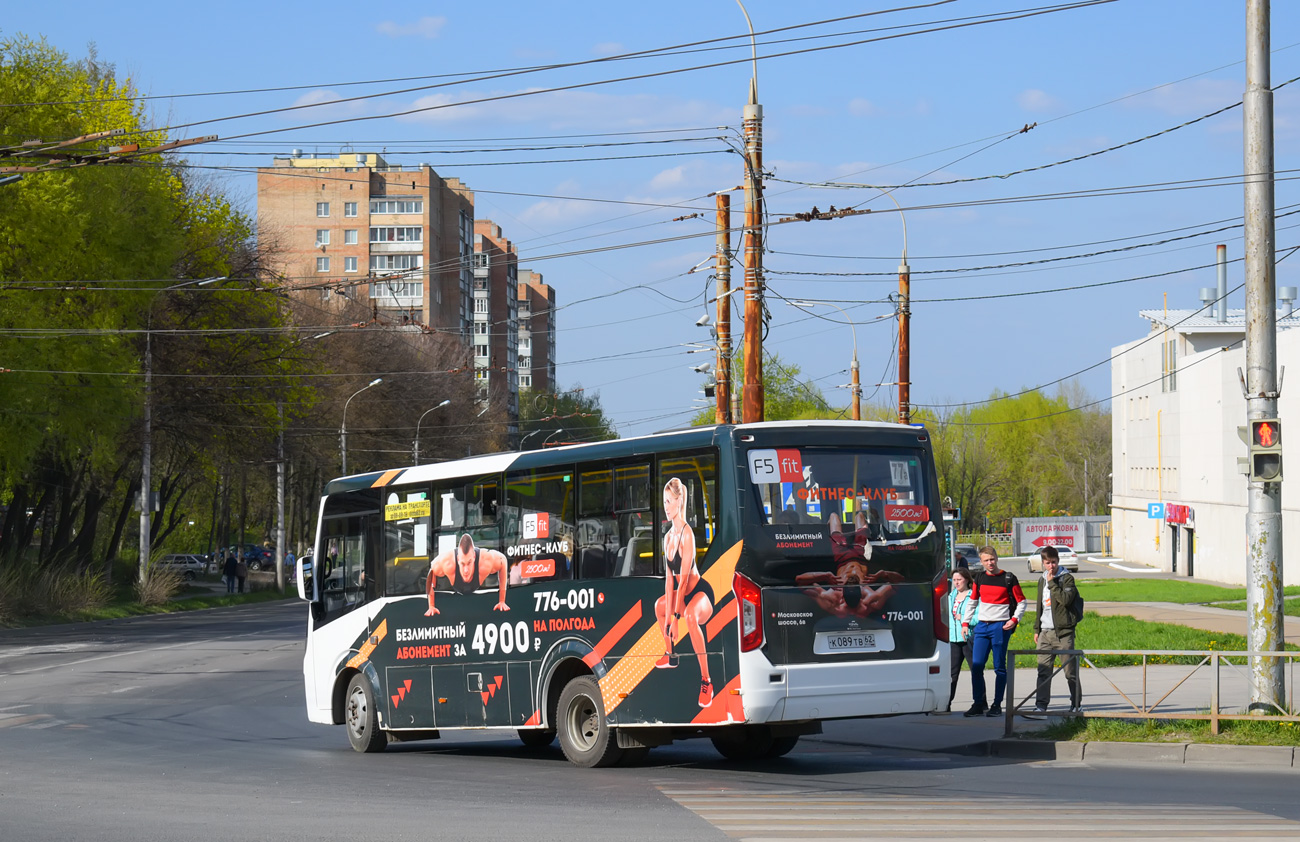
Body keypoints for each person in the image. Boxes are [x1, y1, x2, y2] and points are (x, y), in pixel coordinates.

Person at [654, 477, 715, 709]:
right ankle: (670, 654)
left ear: (680, 501)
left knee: (689, 616)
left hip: (699, 592)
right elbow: (669, 582)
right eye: (664, 502)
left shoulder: (686, 534)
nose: (666, 507)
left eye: (669, 501)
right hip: (680, 592)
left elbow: (685, 581)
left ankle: (706, 681)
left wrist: (676, 618)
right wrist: (668, 616)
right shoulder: (667, 538)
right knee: (658, 607)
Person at [964, 546, 1026, 718]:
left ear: (997, 558)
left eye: (992, 559)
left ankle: (997, 705)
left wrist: (1014, 620)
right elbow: (972, 601)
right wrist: (965, 622)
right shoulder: (980, 577)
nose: (990, 563)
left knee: (999, 667)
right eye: (986, 560)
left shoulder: (1008, 578)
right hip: (982, 627)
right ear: (981, 562)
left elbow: (1022, 602)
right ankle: (978, 703)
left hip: (1000, 627)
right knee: (976, 666)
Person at [1033, 545, 1083, 714]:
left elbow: (1065, 600)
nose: (1051, 566)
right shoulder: (1041, 579)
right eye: (1047, 563)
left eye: (1053, 562)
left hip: (1063, 633)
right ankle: (1041, 706)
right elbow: (1039, 606)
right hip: (1045, 633)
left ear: (1058, 561)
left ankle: (1076, 704)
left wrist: (1052, 583)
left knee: (1070, 672)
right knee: (1043, 671)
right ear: (1043, 563)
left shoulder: (1066, 578)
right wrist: (1036, 629)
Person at [425, 534, 511, 615]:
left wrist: (502, 600)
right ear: (458, 559)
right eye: (462, 564)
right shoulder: (447, 563)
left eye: (469, 563)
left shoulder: (485, 561)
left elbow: (503, 560)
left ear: (474, 557)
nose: (466, 570)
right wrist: (431, 605)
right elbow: (431, 572)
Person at [946, 567, 977, 713]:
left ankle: (980, 702)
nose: (957, 582)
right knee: (952, 673)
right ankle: (946, 703)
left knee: (975, 671)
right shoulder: (951, 596)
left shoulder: (973, 596)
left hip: (968, 638)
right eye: (954, 580)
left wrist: (966, 619)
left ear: (967, 580)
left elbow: (979, 616)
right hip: (954, 639)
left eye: (959, 579)